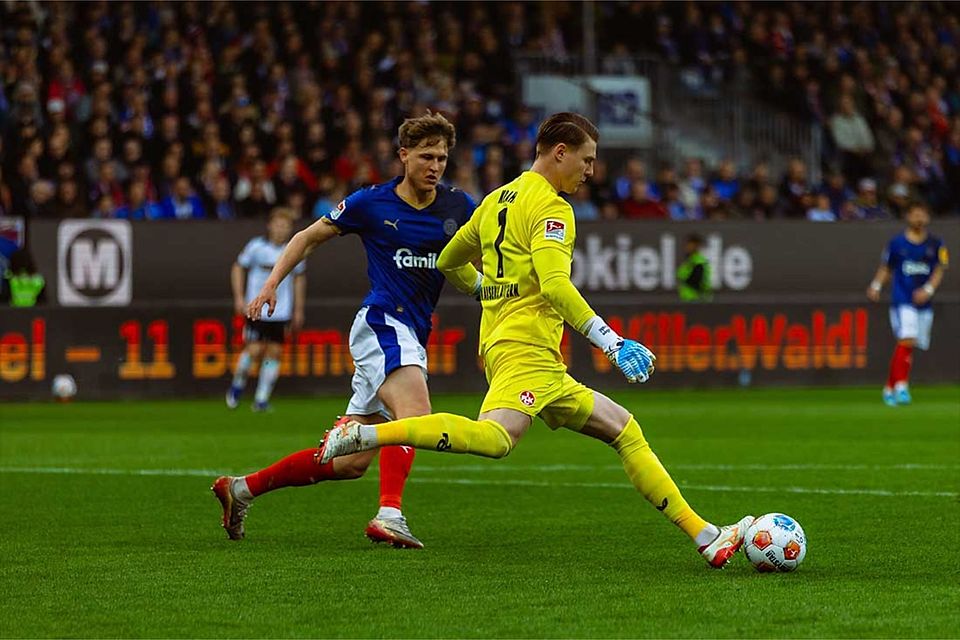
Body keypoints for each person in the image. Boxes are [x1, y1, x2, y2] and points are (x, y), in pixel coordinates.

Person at [318, 113, 753, 568]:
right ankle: (364, 433)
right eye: (586, 161)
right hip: (528, 351)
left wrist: (489, 290)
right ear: (559, 152)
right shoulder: (551, 207)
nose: (590, 171)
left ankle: (706, 536)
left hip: (514, 348)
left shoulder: (496, 200)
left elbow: (448, 260)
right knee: (496, 439)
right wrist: (611, 341)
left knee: (623, 429)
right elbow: (555, 285)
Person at [212, 113, 475, 549]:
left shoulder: (459, 206)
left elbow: (492, 247)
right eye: (426, 156)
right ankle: (389, 514)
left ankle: (241, 489)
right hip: (382, 322)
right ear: (403, 155)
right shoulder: (372, 202)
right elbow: (307, 237)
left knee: (347, 462)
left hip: (411, 331)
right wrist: (272, 283)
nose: (435, 166)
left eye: (442, 158)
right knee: (415, 413)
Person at [866, 202, 948, 406]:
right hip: (903, 299)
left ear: (927, 218)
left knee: (909, 345)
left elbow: (940, 268)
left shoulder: (936, 244)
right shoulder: (896, 244)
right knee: (907, 338)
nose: (919, 218)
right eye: (915, 214)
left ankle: (889, 387)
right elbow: (886, 268)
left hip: (924, 302)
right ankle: (902, 386)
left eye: (923, 214)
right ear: (908, 217)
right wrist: (876, 285)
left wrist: (928, 290)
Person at [227, 207, 306, 412]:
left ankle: (261, 399)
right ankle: (237, 385)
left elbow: (299, 279)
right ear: (270, 226)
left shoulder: (294, 249)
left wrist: (298, 308)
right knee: (254, 349)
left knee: (275, 352)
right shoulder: (256, 247)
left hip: (281, 310)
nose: (281, 230)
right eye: (278, 225)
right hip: (257, 307)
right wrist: (239, 297)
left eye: (285, 226)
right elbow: (238, 267)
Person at [677, 233, 713, 301]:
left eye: (690, 245)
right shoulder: (690, 261)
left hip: (697, 300)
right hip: (688, 300)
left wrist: (684, 279)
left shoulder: (698, 262)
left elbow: (697, 282)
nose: (687, 247)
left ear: (696, 246)